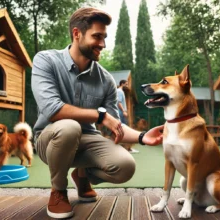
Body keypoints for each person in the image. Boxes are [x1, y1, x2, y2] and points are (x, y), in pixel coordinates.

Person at [31, 7, 163, 219]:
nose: (102, 44)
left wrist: (142, 137)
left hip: (87, 140)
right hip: (51, 139)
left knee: (125, 166)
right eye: (97, 36)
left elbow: (116, 128)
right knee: (69, 127)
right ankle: (58, 191)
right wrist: (100, 116)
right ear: (77, 34)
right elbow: (53, 110)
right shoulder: (46, 61)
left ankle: (82, 174)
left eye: (104, 37)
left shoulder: (106, 80)